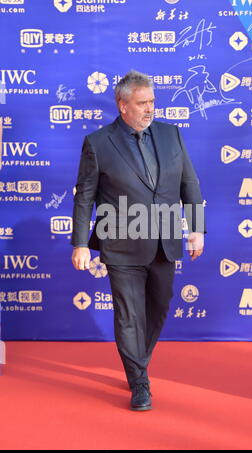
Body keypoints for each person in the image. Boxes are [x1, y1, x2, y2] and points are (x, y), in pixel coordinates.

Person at [71, 70, 206, 411]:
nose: (149, 109)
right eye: (142, 103)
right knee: (129, 316)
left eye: (152, 102)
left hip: (164, 241)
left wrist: (197, 227)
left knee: (158, 308)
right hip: (121, 243)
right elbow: (84, 197)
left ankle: (136, 362)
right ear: (122, 105)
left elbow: (189, 184)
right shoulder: (98, 143)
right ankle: (139, 384)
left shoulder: (171, 134)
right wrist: (80, 243)